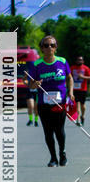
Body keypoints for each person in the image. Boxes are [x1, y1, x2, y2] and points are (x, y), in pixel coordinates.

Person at [28, 36, 74, 166]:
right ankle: (53, 158)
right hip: (43, 103)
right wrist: (35, 84)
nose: (49, 48)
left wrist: (70, 92)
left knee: (59, 130)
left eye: (52, 45)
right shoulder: (37, 64)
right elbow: (30, 85)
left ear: (56, 47)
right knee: (48, 131)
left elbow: (69, 78)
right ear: (42, 48)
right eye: (46, 45)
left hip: (60, 102)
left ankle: (62, 153)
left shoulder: (62, 61)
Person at [71, 54, 90, 126]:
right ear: (76, 61)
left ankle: (83, 116)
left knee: (83, 105)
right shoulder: (72, 68)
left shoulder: (86, 68)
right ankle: (78, 118)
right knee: (77, 104)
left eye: (81, 60)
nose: (79, 61)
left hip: (83, 89)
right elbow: (69, 77)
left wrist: (83, 77)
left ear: (83, 61)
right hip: (75, 89)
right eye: (78, 60)